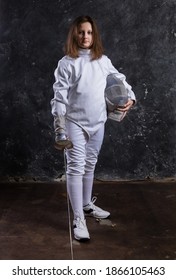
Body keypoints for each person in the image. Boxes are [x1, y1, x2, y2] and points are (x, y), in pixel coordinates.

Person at [51, 15, 136, 241]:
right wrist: (60, 127)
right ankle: (78, 218)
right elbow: (59, 98)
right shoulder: (67, 63)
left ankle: (87, 205)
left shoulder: (102, 60)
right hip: (74, 123)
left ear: (94, 35)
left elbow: (120, 80)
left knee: (90, 164)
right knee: (76, 167)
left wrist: (131, 98)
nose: (85, 36)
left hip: (98, 122)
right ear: (74, 35)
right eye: (81, 32)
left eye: (89, 32)